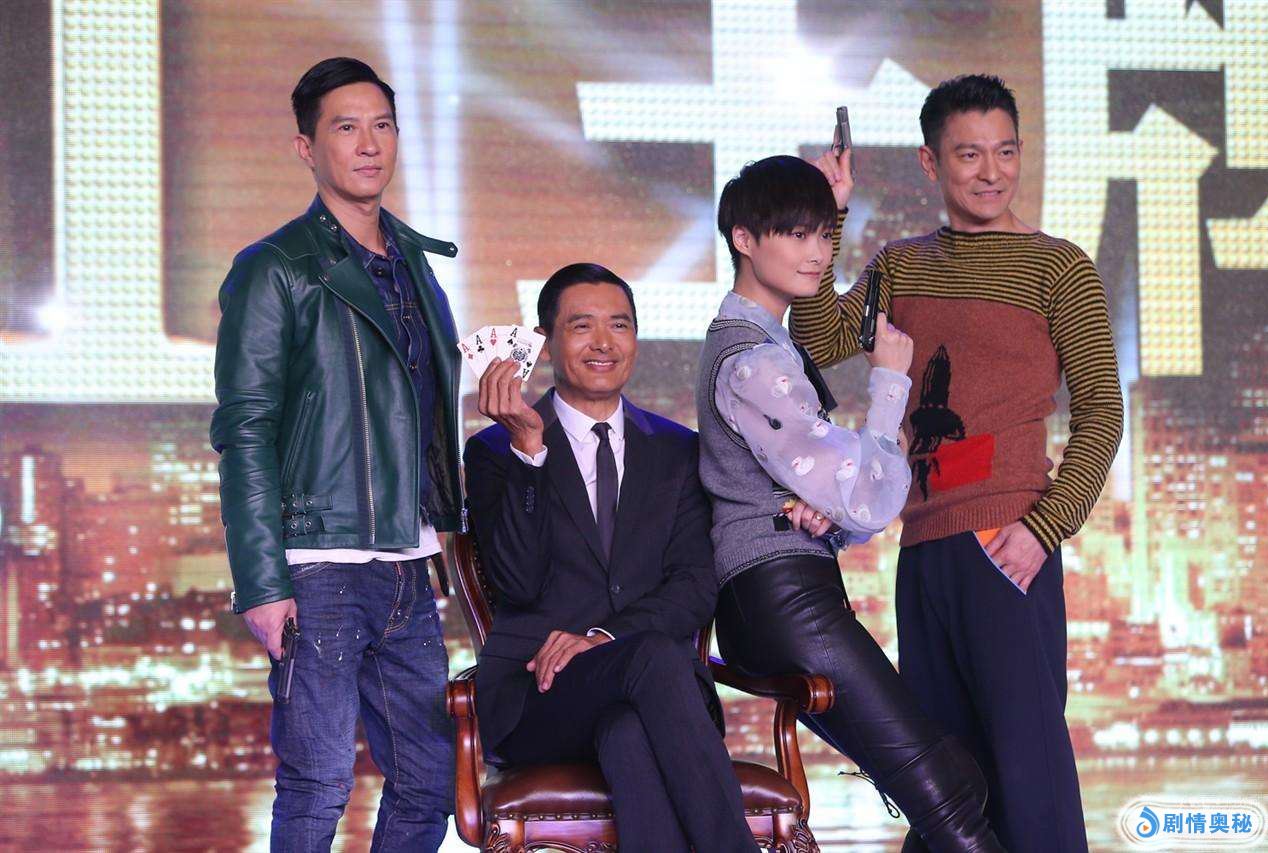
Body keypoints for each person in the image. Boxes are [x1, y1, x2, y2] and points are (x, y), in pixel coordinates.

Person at [790, 74, 1123, 852]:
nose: (992, 171)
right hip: (923, 549)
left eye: (1006, 151)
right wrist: (828, 219)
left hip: (1007, 544)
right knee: (947, 785)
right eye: (969, 154)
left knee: (1030, 780)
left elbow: (1102, 412)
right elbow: (821, 337)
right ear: (931, 163)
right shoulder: (902, 265)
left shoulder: (1059, 268)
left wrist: (1042, 529)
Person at [699, 153, 1005, 852]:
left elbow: (841, 500)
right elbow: (867, 497)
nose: (815, 252)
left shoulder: (763, 342)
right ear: (744, 238)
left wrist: (826, 509)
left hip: (784, 594)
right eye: (795, 234)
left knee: (953, 779)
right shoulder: (753, 361)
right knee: (946, 791)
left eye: (822, 234)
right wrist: (891, 382)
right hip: (780, 599)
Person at [210, 57, 463, 851]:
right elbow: (245, 429)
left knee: (429, 781)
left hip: (406, 564)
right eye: (346, 128)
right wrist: (262, 582)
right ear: (306, 148)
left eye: (382, 126)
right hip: (318, 563)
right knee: (318, 783)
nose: (368, 144)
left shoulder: (416, 264)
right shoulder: (274, 268)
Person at [464, 263, 759, 852]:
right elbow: (517, 584)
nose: (603, 342)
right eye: (582, 326)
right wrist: (529, 452)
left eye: (619, 325)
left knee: (628, 734)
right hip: (538, 696)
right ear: (545, 342)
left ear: (635, 339)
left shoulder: (679, 451)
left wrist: (602, 638)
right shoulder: (496, 450)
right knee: (651, 655)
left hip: (651, 695)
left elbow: (695, 586)